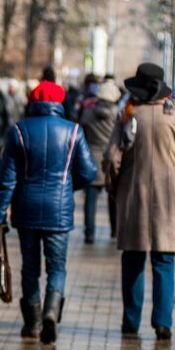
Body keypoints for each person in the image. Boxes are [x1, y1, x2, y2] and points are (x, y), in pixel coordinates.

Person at [102, 63, 175, 340]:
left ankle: (130, 322)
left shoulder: (127, 115)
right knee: (164, 263)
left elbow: (111, 158)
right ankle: (162, 323)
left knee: (133, 261)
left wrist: (114, 188)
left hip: (133, 197)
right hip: (169, 201)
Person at [0, 80, 96, 344]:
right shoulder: (73, 131)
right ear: (59, 103)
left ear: (32, 101)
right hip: (59, 211)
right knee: (57, 267)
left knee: (30, 268)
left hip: (26, 208)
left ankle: (32, 322)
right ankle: (51, 311)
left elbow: (7, 179)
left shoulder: (20, 130)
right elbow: (89, 172)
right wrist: (68, 187)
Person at [78, 79, 122, 243]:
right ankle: (115, 230)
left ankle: (89, 233)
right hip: (112, 158)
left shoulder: (88, 112)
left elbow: (81, 133)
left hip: (92, 157)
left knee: (90, 198)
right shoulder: (118, 113)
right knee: (114, 197)